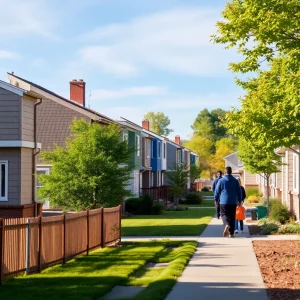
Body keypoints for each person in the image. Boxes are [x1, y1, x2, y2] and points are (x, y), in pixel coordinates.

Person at [214, 166, 242, 238]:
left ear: (225, 172)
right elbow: (239, 192)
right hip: (233, 201)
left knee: (223, 214)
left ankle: (226, 224)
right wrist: (239, 200)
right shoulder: (235, 181)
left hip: (223, 201)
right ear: (231, 172)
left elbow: (217, 191)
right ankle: (231, 233)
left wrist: (216, 199)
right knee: (232, 217)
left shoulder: (221, 180)